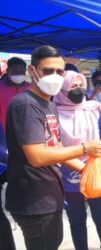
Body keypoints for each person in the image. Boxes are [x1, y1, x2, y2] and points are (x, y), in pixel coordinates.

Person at [5, 45, 101, 250]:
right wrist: (85, 148)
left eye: (59, 72)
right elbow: (37, 156)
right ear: (32, 71)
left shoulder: (49, 104)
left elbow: (56, 146)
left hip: (50, 193)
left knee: (53, 242)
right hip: (34, 199)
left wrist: (89, 171)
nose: (55, 76)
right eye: (48, 71)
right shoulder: (25, 104)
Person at [53, 70, 101, 250]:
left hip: (95, 169)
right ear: (63, 89)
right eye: (73, 86)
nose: (78, 90)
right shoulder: (54, 112)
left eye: (81, 85)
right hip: (68, 174)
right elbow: (55, 146)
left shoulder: (94, 108)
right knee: (77, 220)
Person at [0, 56, 30, 250]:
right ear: (8, 70)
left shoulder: (31, 89)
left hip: (27, 147)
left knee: (24, 188)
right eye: (15, 70)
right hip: (2, 147)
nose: (18, 74)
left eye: (22, 71)